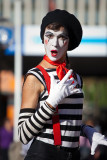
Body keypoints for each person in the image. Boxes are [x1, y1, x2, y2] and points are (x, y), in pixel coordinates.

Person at [18, 9, 107, 160]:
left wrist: (86, 130)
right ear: (43, 38)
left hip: (73, 155)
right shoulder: (35, 77)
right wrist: (51, 103)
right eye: (49, 35)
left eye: (61, 37)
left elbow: (63, 121)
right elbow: (23, 134)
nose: (54, 43)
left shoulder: (76, 78)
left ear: (68, 42)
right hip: (44, 155)